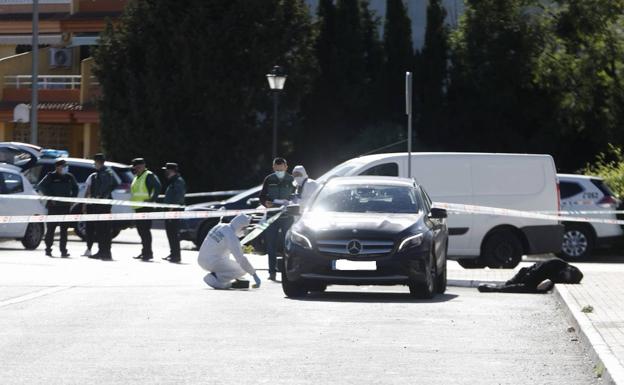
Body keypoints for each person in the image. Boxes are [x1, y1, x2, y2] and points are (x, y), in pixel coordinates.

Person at [198, 214, 261, 289]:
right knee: (242, 270)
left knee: (231, 262)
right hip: (212, 261)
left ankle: (218, 275)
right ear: (240, 226)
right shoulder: (231, 234)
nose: (244, 232)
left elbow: (220, 244)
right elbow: (241, 259)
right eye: (244, 229)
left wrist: (240, 248)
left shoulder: (221, 226)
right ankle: (214, 278)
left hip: (203, 259)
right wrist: (254, 274)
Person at [259, 157, 295, 281]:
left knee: (289, 245)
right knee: (271, 245)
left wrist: (290, 202)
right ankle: (272, 272)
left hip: (287, 217)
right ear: (273, 168)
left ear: (286, 167)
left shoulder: (292, 180)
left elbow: (297, 196)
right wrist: (265, 203)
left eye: (281, 169)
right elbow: (262, 196)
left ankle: (288, 272)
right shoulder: (269, 179)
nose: (279, 171)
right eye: (277, 169)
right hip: (271, 217)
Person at [38, 159, 79, 258]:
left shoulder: (69, 177)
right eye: (63, 166)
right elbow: (41, 186)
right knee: (51, 229)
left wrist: (72, 199)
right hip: (54, 207)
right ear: (58, 167)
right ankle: (48, 249)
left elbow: (76, 188)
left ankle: (63, 251)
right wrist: (50, 197)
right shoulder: (51, 176)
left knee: (64, 230)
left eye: (66, 166)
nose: (65, 168)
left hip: (65, 207)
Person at [130, 158, 161, 261]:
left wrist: (151, 200)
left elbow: (158, 187)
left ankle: (148, 253)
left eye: (138, 167)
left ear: (142, 166)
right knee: (141, 231)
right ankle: (145, 252)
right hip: (138, 208)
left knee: (145, 231)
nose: (136, 169)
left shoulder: (148, 175)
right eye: (135, 167)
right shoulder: (137, 177)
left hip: (145, 207)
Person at [88, 153, 118, 261]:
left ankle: (106, 252)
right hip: (99, 204)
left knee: (104, 229)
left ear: (98, 162)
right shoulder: (101, 172)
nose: (94, 164)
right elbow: (115, 183)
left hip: (102, 204)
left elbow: (112, 184)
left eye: (95, 162)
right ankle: (102, 251)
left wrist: (102, 195)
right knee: (100, 229)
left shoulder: (105, 173)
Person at [161, 163, 186, 263]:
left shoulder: (178, 181)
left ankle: (176, 256)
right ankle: (173, 253)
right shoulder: (173, 181)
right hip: (170, 211)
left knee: (173, 234)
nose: (165, 172)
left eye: (167, 170)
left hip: (174, 211)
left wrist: (172, 209)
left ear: (171, 171)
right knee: (170, 233)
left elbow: (179, 197)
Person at [81, 172, 96, 257]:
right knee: (90, 228)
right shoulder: (93, 176)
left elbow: (87, 191)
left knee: (90, 228)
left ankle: (90, 248)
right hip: (93, 205)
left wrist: (84, 204)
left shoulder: (93, 176)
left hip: (93, 205)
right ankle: (89, 248)